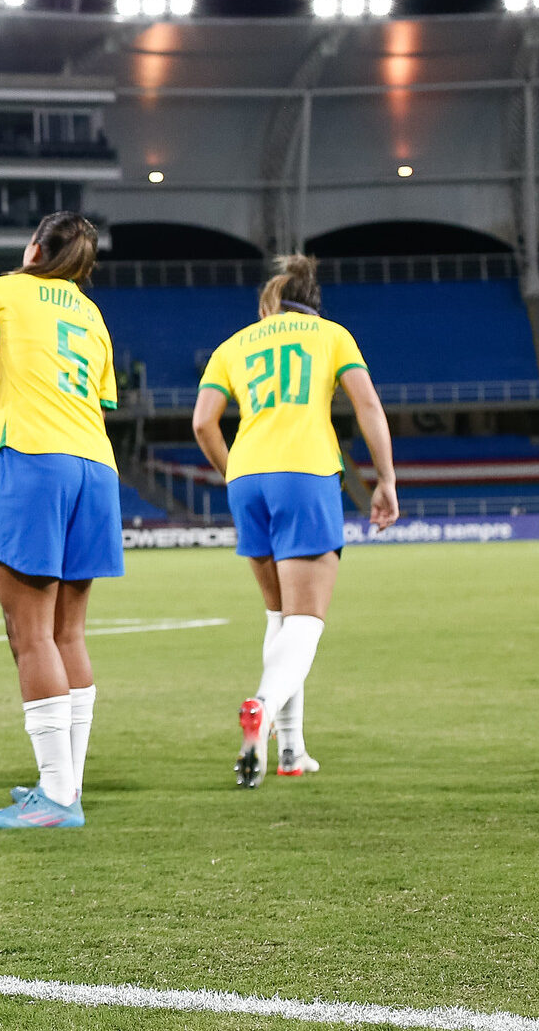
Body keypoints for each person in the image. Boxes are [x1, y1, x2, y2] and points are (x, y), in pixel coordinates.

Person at [191, 254, 399, 788]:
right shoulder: (331, 336)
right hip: (304, 473)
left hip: (248, 477)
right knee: (305, 621)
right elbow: (368, 406)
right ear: (312, 299)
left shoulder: (233, 345)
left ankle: (291, 750)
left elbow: (203, 422)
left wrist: (234, 471)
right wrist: (385, 479)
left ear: (272, 299)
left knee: (280, 615)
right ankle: (262, 706)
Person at [0, 212, 120, 829]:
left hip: (33, 458)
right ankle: (64, 785)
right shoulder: (92, 314)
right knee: (67, 633)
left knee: (28, 631)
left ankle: (58, 799)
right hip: (96, 466)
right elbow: (101, 402)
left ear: (34, 247)